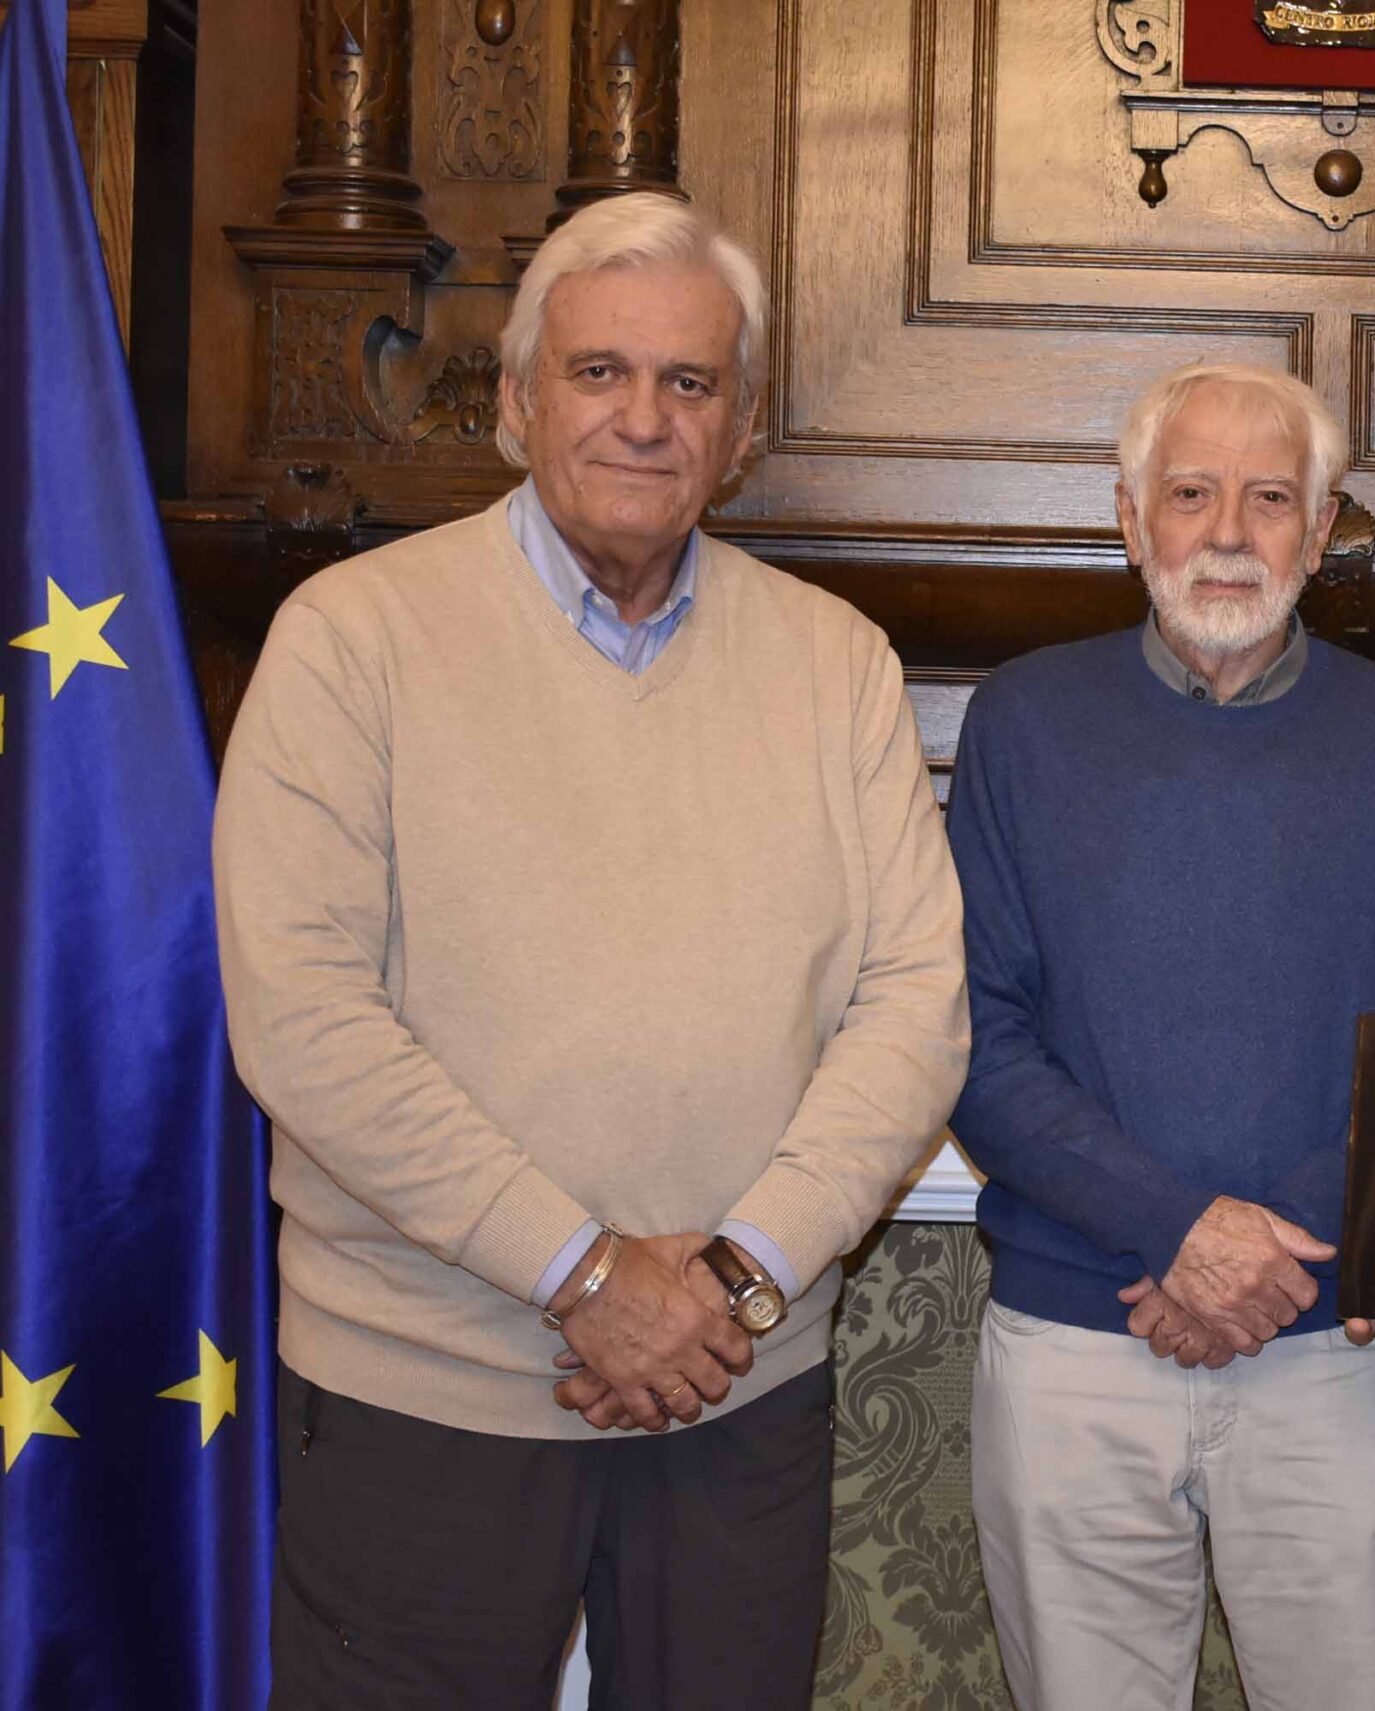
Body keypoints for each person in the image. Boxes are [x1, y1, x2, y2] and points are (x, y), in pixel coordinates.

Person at [211, 192, 968, 1710]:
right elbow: (303, 1019)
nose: (643, 418)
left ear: (740, 429)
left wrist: (734, 1278)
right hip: (426, 1394)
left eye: (689, 382)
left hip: (738, 1390)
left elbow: (915, 1009)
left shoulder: (838, 663)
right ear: (514, 401)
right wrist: (582, 1272)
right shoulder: (350, 638)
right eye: (598, 371)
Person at [944, 361, 1375, 1711]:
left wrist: (1257, 1250)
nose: (1227, 533)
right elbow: (971, 1035)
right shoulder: (1021, 722)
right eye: (1191, 492)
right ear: (1130, 517)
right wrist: (1174, 1228)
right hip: (1078, 1340)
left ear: (1318, 535)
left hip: (1340, 1354)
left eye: (1270, 499)